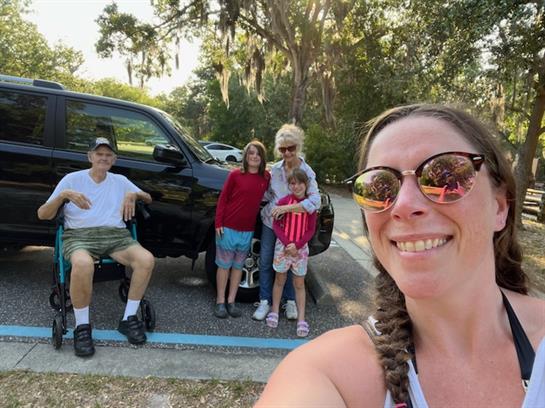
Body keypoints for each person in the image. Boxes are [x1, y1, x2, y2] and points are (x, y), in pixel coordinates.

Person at [256, 104, 545, 407]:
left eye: (445, 177)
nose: (404, 205)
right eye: (379, 187)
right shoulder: (329, 374)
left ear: (499, 208)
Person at [37, 137, 155, 358]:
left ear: (114, 159)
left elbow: (148, 198)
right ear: (89, 157)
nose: (103, 158)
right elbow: (43, 214)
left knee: (146, 259)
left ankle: (129, 319)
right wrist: (63, 195)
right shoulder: (72, 180)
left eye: (108, 155)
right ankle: (82, 328)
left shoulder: (120, 180)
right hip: (79, 236)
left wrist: (134, 194)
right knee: (82, 263)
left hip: (115, 236)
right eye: (99, 154)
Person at [252, 124, 321, 321]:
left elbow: (314, 202)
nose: (287, 152)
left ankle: (290, 302)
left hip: (295, 226)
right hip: (271, 222)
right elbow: (266, 194)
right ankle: (265, 301)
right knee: (266, 261)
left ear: (298, 146)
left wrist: (286, 209)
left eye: (291, 148)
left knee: (292, 261)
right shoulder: (274, 170)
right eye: (282, 149)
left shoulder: (307, 172)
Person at [213, 140, 270, 318]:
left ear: (262, 158)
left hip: (247, 230)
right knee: (224, 266)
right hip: (228, 228)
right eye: (251, 153)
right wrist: (218, 223)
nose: (254, 156)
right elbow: (223, 199)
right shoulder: (235, 175)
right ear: (245, 156)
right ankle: (220, 301)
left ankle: (231, 301)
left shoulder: (266, 177)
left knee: (238, 267)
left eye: (258, 154)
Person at [266, 168, 317, 337]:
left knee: (299, 284)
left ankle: (302, 319)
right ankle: (274, 310)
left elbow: (310, 229)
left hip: (300, 251)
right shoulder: (283, 202)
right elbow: (276, 225)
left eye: (300, 183)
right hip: (283, 248)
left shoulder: (310, 205)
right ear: (289, 185)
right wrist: (288, 243)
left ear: (306, 184)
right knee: (279, 280)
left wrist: (298, 245)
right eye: (293, 183)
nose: (297, 186)